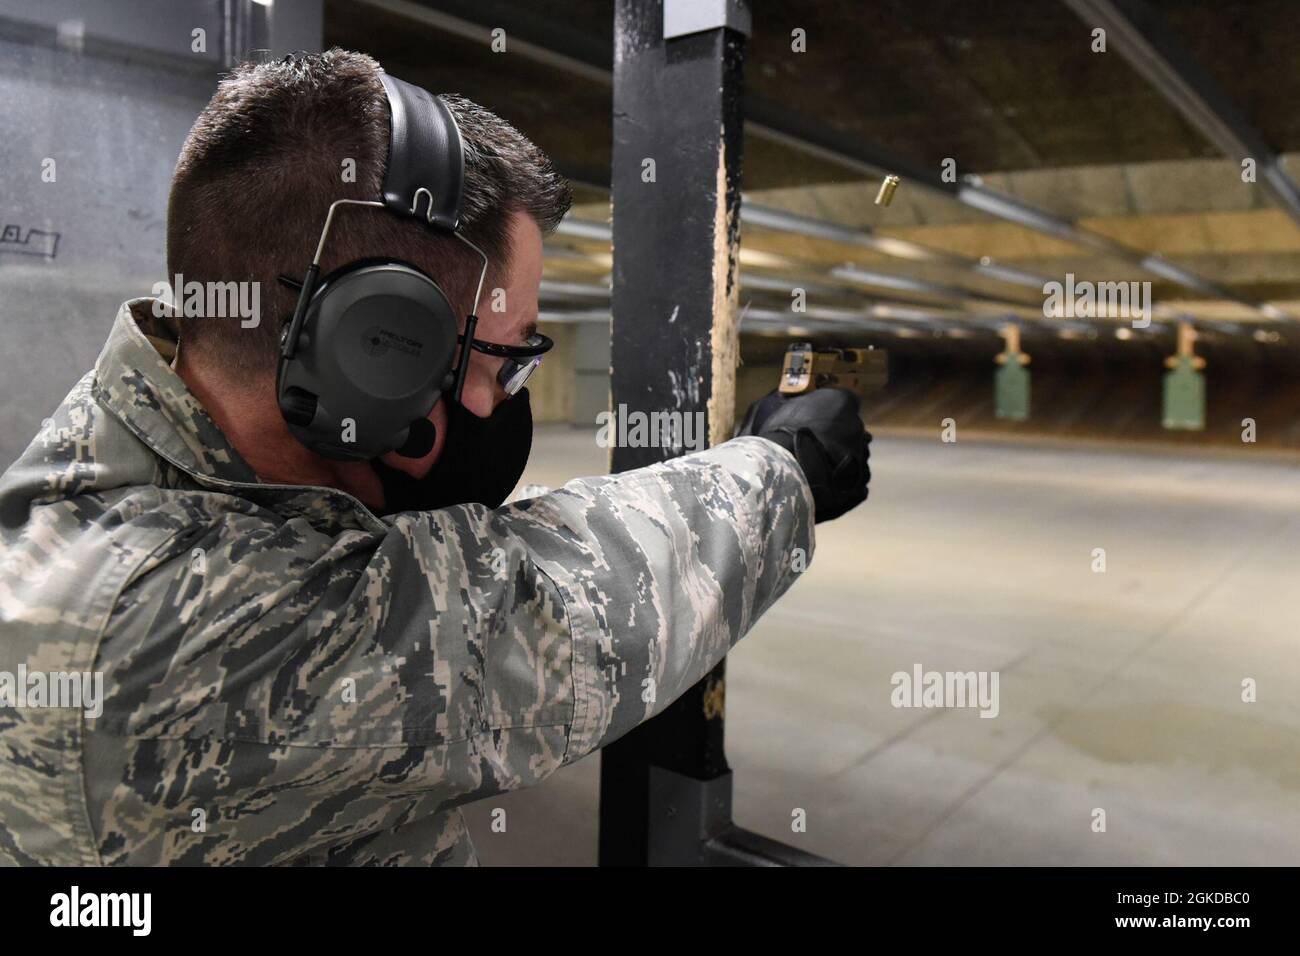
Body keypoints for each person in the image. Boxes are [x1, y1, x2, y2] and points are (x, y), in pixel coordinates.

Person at [0, 49, 870, 866]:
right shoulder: (194, 636)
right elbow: (562, 616)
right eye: (510, 357)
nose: (511, 397)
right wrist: (786, 462)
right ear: (381, 352)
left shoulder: (88, 476)